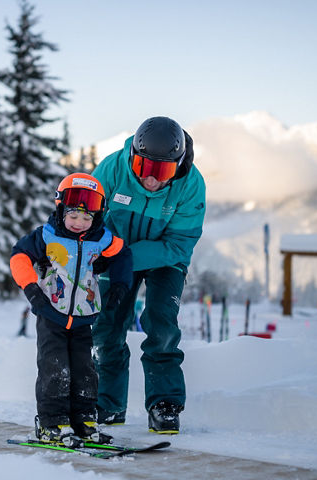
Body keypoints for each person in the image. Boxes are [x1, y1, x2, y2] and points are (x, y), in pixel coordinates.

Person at [90, 116, 206, 435]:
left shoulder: (191, 185)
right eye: (144, 167)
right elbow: (87, 216)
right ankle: (108, 404)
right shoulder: (113, 169)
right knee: (108, 325)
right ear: (132, 157)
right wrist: (95, 252)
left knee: (161, 322)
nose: (151, 180)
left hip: (166, 257)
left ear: (178, 166)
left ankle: (164, 404)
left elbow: (180, 243)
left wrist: (123, 254)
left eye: (163, 171)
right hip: (116, 253)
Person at [10, 172, 133, 446]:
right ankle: (52, 423)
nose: (80, 223)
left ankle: (85, 420)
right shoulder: (46, 235)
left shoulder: (101, 238)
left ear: (97, 216)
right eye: (74, 215)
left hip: (83, 317)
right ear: (60, 209)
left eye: (87, 218)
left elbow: (123, 254)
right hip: (51, 314)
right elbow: (19, 255)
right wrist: (31, 289)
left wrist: (120, 286)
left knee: (84, 370)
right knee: (55, 368)